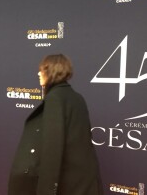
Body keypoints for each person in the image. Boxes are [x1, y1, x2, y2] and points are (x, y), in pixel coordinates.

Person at [8, 54, 103, 195]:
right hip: (84, 181)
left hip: (68, 183)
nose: (38, 73)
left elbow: (52, 149)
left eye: (43, 70)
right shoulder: (77, 98)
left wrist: (45, 191)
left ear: (52, 71)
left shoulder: (55, 99)